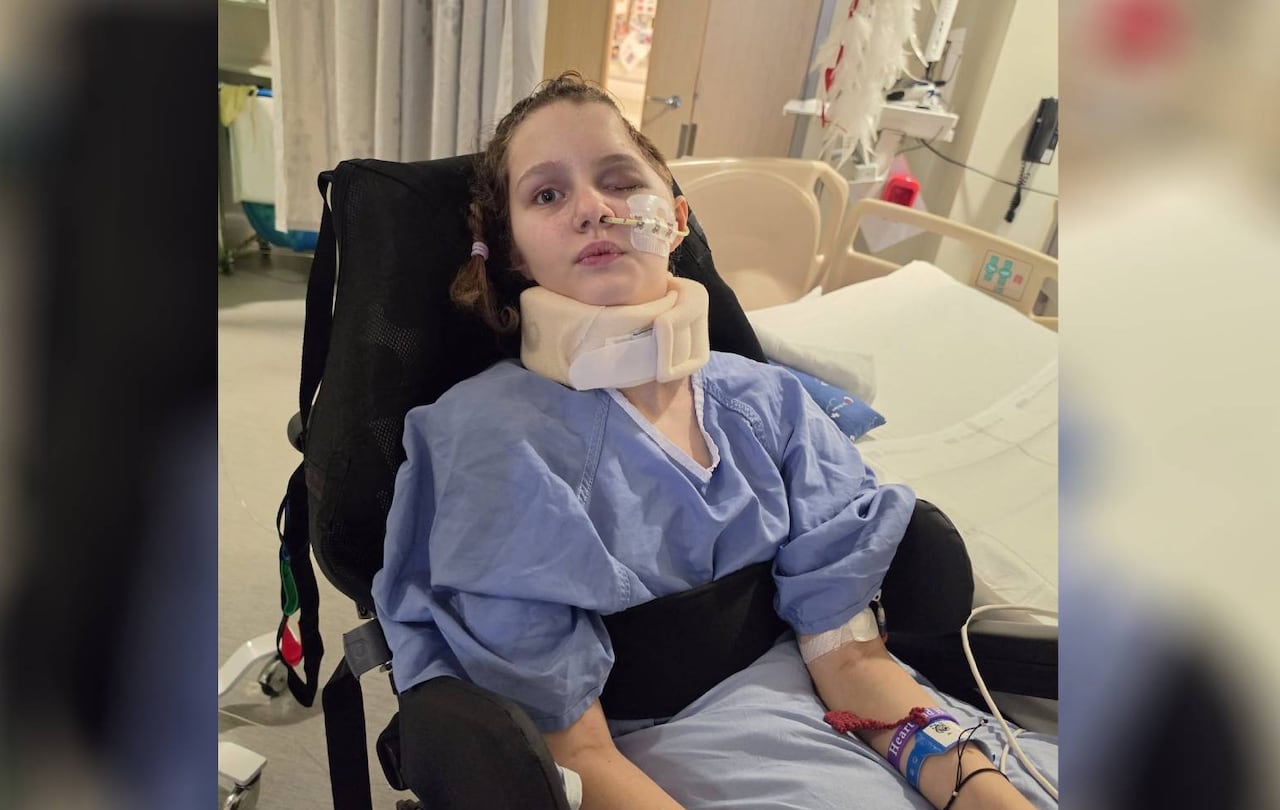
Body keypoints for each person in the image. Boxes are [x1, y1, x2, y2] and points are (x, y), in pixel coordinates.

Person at [372, 72, 1057, 810]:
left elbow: (852, 660)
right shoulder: (488, 442)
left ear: (676, 216)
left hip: (844, 716)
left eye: (617, 180)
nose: (593, 209)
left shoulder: (769, 400)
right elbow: (573, 755)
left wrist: (979, 789)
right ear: (512, 254)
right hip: (656, 762)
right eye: (547, 194)